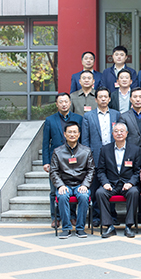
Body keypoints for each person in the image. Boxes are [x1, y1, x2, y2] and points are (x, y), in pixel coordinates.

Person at [81, 86, 121, 226]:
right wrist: (88, 157)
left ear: (109, 99)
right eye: (100, 97)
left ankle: (112, 216)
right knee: (96, 188)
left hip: (113, 156)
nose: (103, 99)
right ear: (96, 99)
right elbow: (85, 140)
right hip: (95, 156)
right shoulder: (88, 116)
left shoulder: (116, 114)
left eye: (106, 97)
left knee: (111, 187)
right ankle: (96, 217)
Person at [43, 94, 83, 228]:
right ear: (57, 104)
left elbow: (82, 141)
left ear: (70, 102)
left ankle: (72, 216)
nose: (64, 104)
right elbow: (45, 143)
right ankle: (56, 217)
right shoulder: (50, 120)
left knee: (72, 187)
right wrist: (46, 162)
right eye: (61, 102)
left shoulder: (78, 118)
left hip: (74, 160)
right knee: (54, 191)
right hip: (55, 160)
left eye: (66, 101)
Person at [96, 123, 141, 238]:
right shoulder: (105, 149)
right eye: (116, 131)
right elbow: (100, 170)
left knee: (134, 192)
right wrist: (105, 183)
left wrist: (131, 183)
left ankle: (129, 226)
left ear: (127, 133)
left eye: (122, 131)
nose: (119, 133)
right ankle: (109, 226)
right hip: (111, 184)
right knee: (100, 193)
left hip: (127, 184)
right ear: (112, 134)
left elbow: (138, 171)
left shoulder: (135, 150)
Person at [50, 121, 94, 239]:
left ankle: (80, 228)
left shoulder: (86, 151)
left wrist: (85, 185)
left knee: (84, 196)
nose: (72, 134)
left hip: (81, 184)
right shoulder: (57, 152)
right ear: (65, 134)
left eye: (75, 132)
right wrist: (60, 185)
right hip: (65, 184)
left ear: (79, 134)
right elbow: (53, 171)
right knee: (62, 196)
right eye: (69, 132)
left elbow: (91, 170)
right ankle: (66, 228)